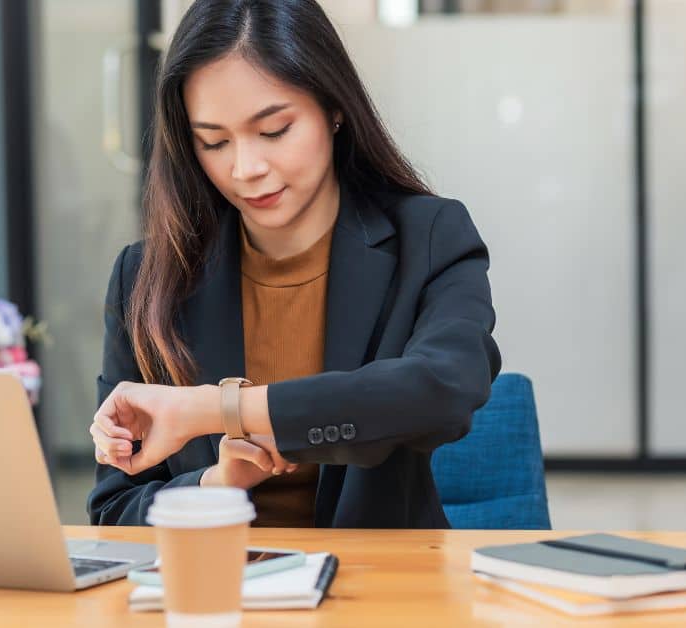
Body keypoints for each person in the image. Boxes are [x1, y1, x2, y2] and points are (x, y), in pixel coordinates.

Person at [87, 0, 500, 529]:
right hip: (218, 590)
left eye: (275, 130)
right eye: (213, 141)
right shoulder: (146, 278)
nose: (245, 168)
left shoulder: (430, 236)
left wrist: (214, 410)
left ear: (334, 106)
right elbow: (114, 511)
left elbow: (443, 390)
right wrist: (215, 487)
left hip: (378, 589)